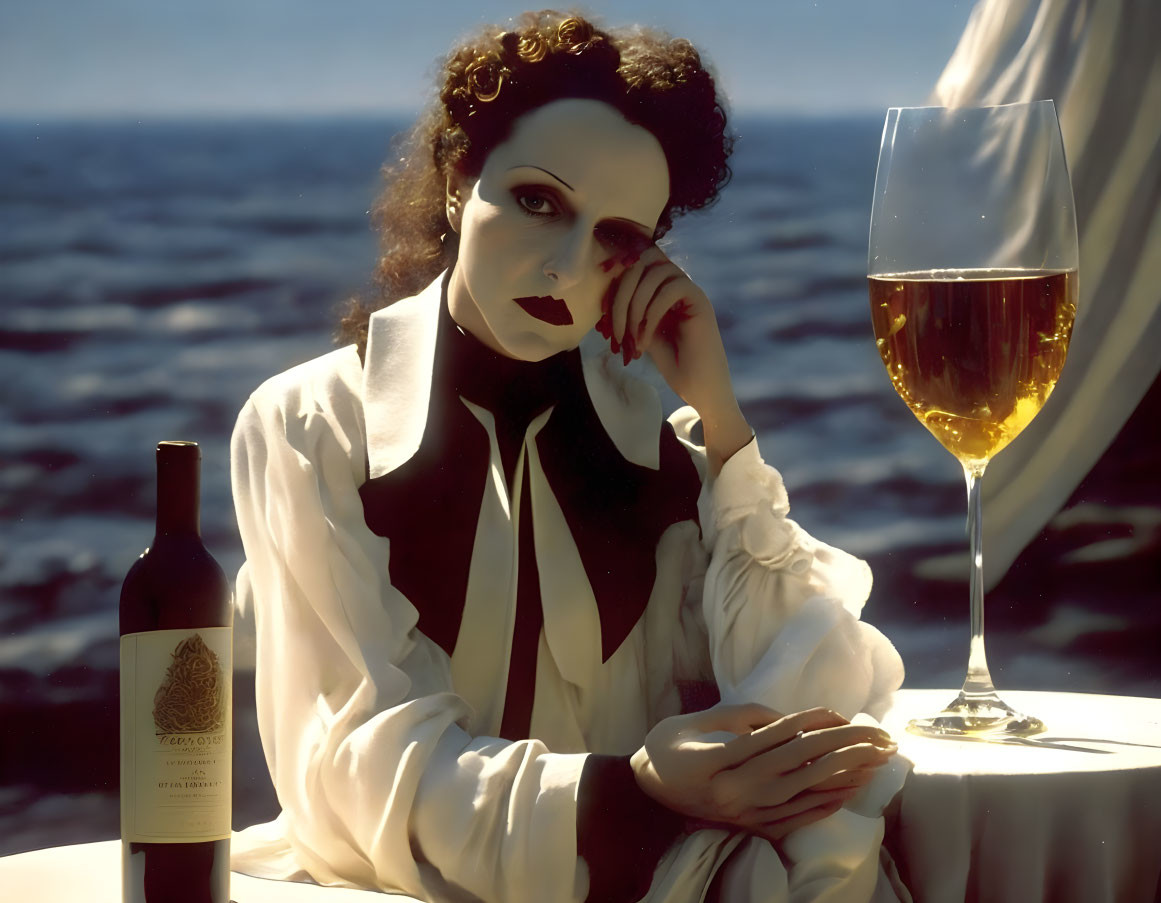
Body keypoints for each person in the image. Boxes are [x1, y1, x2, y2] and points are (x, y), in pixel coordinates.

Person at [229, 11, 907, 902]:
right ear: (455, 178)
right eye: (538, 201)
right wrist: (638, 788)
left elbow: (816, 686)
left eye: (617, 236)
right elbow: (356, 768)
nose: (564, 265)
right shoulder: (311, 423)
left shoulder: (658, 449)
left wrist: (720, 415)